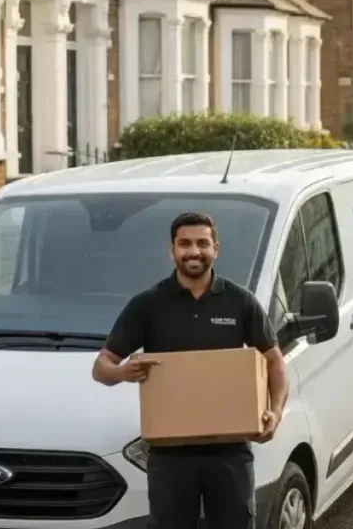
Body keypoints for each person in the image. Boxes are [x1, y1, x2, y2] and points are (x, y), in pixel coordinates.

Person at [91, 211, 288, 529]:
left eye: (202, 243)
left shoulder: (240, 302)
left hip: (229, 451)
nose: (193, 251)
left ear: (216, 248)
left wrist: (275, 412)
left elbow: (275, 361)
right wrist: (122, 372)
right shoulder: (147, 305)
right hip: (170, 457)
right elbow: (101, 367)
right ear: (172, 250)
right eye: (185, 243)